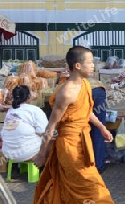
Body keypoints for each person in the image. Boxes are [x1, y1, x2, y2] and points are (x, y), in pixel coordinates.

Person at [33, 46, 114, 204]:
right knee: (93, 190)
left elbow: (85, 111)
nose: (93, 66)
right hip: (70, 148)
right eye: (90, 62)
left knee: (78, 189)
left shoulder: (84, 84)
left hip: (84, 143)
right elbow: (51, 127)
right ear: (77, 65)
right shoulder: (67, 92)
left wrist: (101, 127)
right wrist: (42, 154)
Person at [1, 85, 48, 162]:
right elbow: (43, 132)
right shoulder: (35, 110)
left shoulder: (11, 111)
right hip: (27, 153)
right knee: (50, 136)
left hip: (8, 153)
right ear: (29, 96)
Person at [87, 76, 108, 173]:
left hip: (88, 92)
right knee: (99, 130)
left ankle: (91, 165)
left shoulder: (68, 81)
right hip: (98, 91)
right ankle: (98, 165)